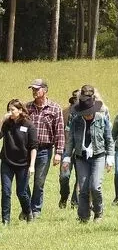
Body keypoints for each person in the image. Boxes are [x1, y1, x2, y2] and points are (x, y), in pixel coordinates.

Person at [62, 87, 114, 223]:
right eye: (85, 113)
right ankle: (83, 216)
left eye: (89, 112)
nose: (87, 115)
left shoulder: (102, 119)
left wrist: (110, 158)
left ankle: (98, 212)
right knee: (83, 188)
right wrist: (67, 157)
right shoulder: (76, 120)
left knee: (95, 186)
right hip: (81, 157)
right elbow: (70, 140)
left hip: (98, 156)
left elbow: (109, 139)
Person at [25, 78, 64, 219]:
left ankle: (35, 210)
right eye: (33, 89)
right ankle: (26, 207)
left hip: (45, 150)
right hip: (27, 149)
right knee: (23, 179)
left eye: (37, 89)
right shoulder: (27, 108)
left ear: (45, 90)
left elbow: (59, 131)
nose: (34, 91)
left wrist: (58, 152)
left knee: (39, 181)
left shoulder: (55, 108)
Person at [1, 99, 38, 226]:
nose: (10, 112)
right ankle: (5, 220)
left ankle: (28, 212)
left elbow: (33, 147)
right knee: (6, 191)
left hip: (23, 164)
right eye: (8, 110)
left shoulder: (29, 125)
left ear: (20, 110)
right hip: (7, 162)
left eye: (12, 110)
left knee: (21, 192)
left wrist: (32, 165)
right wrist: (2, 120)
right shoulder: (6, 124)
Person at [58, 91, 79, 209]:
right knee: (64, 176)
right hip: (66, 149)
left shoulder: (87, 113)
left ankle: (75, 201)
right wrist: (59, 150)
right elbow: (60, 132)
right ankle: (64, 196)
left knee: (80, 177)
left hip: (81, 150)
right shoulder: (65, 113)